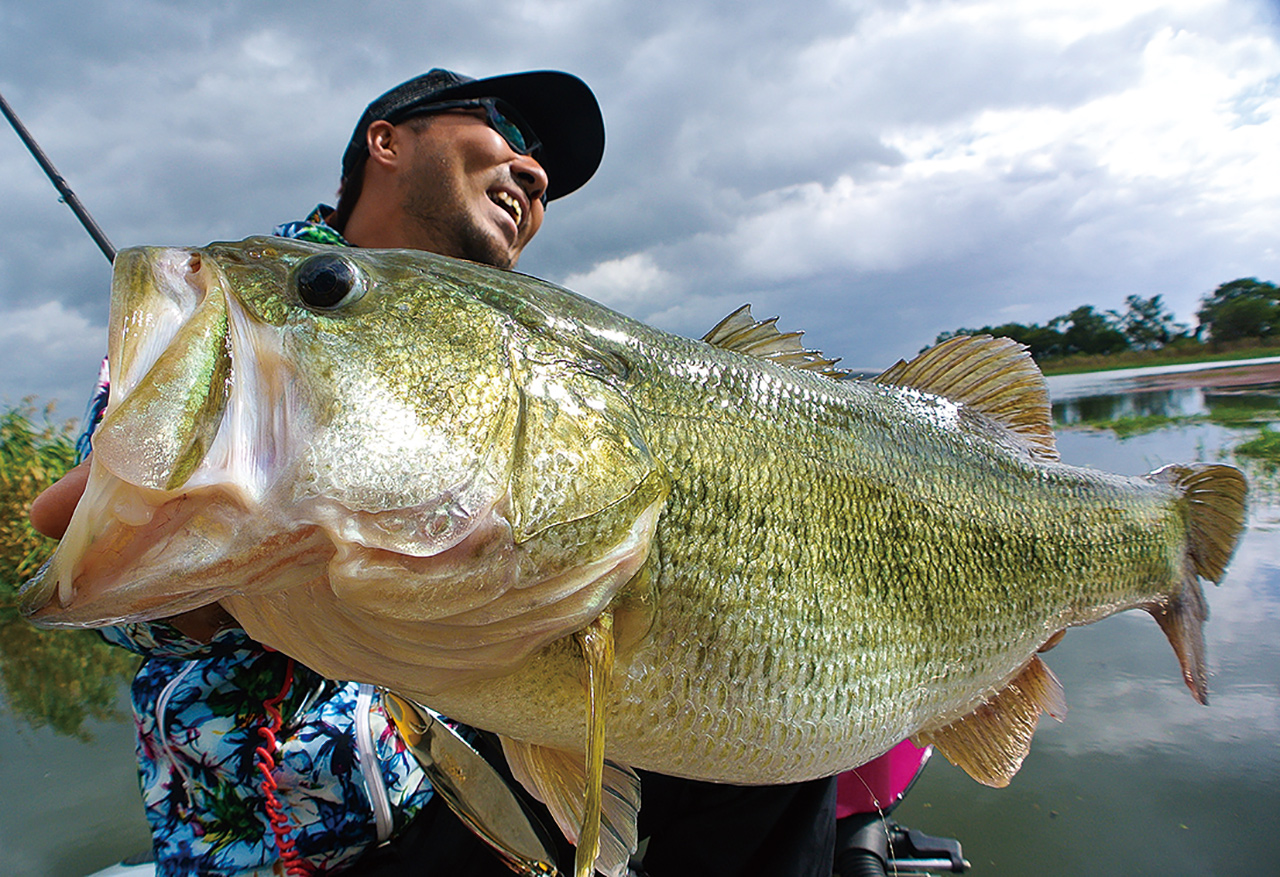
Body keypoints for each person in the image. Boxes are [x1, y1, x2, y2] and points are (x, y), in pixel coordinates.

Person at [31, 68, 836, 877]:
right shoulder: (248, 302)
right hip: (306, 846)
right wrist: (216, 537)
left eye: (545, 166)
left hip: (460, 785)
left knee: (789, 736)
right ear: (387, 139)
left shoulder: (518, 348)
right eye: (507, 129)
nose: (535, 170)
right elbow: (95, 578)